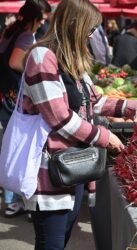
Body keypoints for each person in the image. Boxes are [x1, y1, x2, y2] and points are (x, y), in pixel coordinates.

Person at [21, 0, 137, 248]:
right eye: (90, 29)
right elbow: (60, 117)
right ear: (75, 25)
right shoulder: (42, 57)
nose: (91, 35)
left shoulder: (71, 60)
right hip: (50, 169)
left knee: (61, 238)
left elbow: (95, 102)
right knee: (50, 242)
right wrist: (105, 137)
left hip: (74, 167)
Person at [0, 0, 46, 218]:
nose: (42, 24)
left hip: (5, 97)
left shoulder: (10, 32)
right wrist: (34, 69)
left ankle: (11, 200)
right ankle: (23, 200)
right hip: (16, 100)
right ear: (34, 19)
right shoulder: (26, 35)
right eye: (41, 20)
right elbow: (14, 63)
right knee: (23, 148)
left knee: (10, 145)